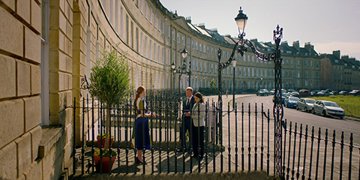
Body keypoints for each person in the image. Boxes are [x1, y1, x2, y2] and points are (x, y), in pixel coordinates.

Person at [133, 86, 155, 164]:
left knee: (142, 139)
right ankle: (139, 158)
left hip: (142, 121)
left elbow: (143, 112)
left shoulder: (141, 100)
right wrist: (150, 115)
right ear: (141, 92)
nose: (145, 93)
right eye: (144, 91)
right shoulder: (140, 101)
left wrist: (149, 113)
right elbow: (142, 114)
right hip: (141, 122)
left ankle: (139, 157)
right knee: (140, 139)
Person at [179, 87, 195, 151]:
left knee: (191, 134)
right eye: (186, 92)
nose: (187, 93)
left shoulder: (194, 99)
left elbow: (196, 109)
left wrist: (190, 113)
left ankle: (191, 148)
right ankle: (183, 147)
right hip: (184, 119)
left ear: (191, 92)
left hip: (191, 119)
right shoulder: (185, 99)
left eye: (188, 92)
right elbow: (183, 108)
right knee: (182, 133)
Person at [191, 92, 206, 160]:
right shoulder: (194, 104)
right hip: (194, 124)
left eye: (196, 98)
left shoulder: (202, 105)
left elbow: (202, 115)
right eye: (195, 98)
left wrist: (192, 116)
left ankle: (201, 154)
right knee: (195, 140)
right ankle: (195, 153)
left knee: (200, 140)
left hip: (200, 125)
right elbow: (193, 113)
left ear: (200, 98)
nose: (195, 99)